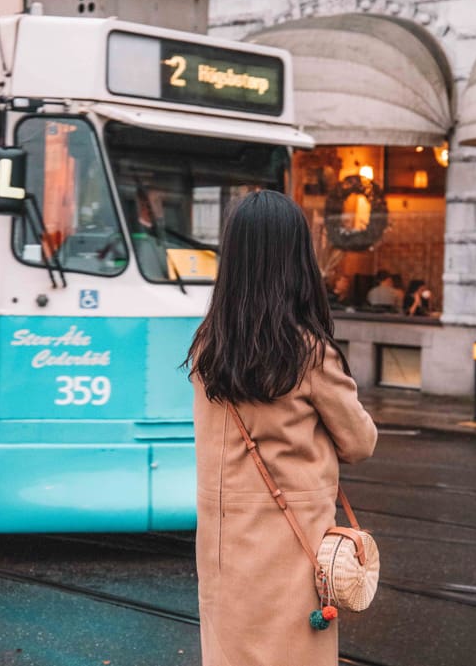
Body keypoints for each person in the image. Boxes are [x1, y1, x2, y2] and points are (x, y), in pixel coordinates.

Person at [184, 190, 378, 666]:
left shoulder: (208, 346)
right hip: (291, 550)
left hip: (223, 547)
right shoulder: (307, 351)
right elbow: (360, 442)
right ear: (296, 260)